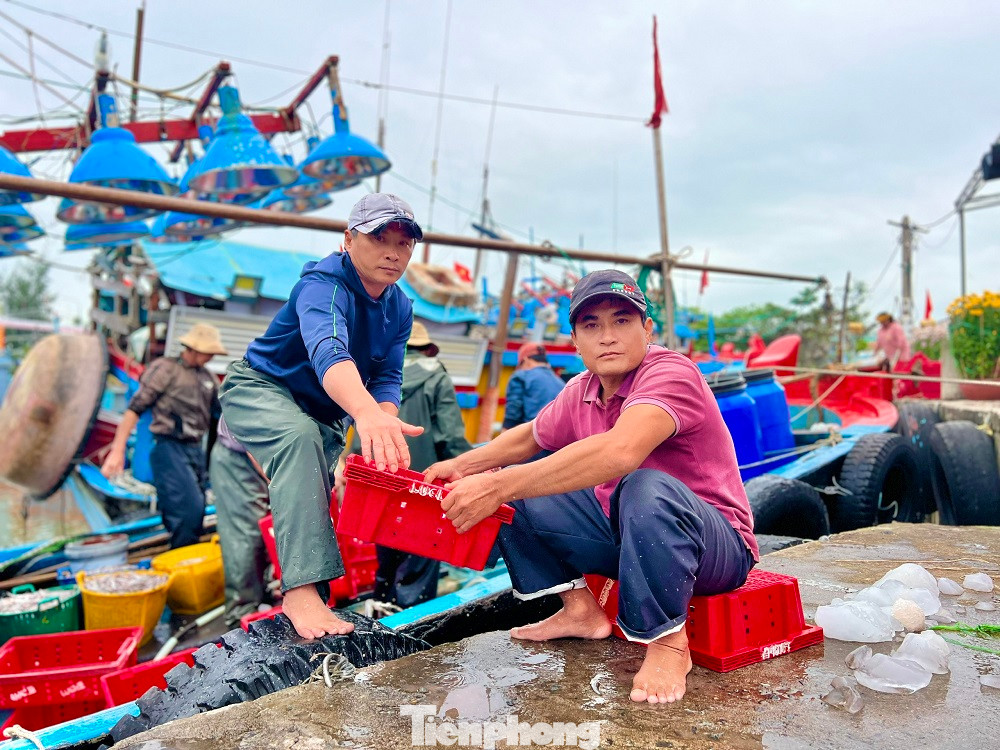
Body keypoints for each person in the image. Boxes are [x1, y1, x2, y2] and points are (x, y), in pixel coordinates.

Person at [424, 269, 757, 705]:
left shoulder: (671, 373)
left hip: (715, 547)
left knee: (643, 487)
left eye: (622, 321)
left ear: (647, 329)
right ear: (576, 341)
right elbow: (530, 438)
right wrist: (461, 465)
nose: (608, 337)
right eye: (591, 325)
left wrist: (499, 486)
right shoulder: (582, 389)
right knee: (514, 493)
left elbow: (621, 451)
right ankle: (581, 611)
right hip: (626, 537)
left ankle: (669, 644)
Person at [219, 193, 424, 639]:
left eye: (405, 243)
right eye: (379, 238)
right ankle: (299, 594)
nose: (393, 253)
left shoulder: (400, 307)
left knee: (317, 484)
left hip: (321, 415)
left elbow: (387, 375)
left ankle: (318, 592)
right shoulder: (324, 283)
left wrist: (382, 422)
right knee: (297, 440)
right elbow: (327, 350)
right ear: (348, 239)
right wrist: (365, 413)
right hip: (262, 389)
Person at [340, 321, 472, 609]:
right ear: (426, 349)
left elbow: (358, 428)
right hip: (424, 482)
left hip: (378, 476)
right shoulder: (436, 376)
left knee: (385, 543)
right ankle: (410, 619)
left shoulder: (373, 376)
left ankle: (381, 608)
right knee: (422, 549)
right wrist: (469, 466)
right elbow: (449, 434)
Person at [101, 323, 227, 549]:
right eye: (208, 352)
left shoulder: (207, 378)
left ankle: (183, 557)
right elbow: (134, 409)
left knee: (193, 513)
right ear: (194, 349)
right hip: (169, 448)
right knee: (189, 510)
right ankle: (182, 558)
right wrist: (117, 451)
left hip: (195, 451)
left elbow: (223, 414)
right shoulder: (166, 369)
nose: (210, 357)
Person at [209, 416, 271, 627]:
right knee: (247, 537)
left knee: (267, 533)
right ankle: (241, 617)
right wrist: (278, 481)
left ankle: (264, 600)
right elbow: (253, 431)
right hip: (240, 454)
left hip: (271, 450)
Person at [502, 342, 566, 431]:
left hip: (531, 435)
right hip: (557, 438)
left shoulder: (521, 376)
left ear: (526, 360)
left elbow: (513, 414)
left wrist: (504, 437)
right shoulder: (562, 384)